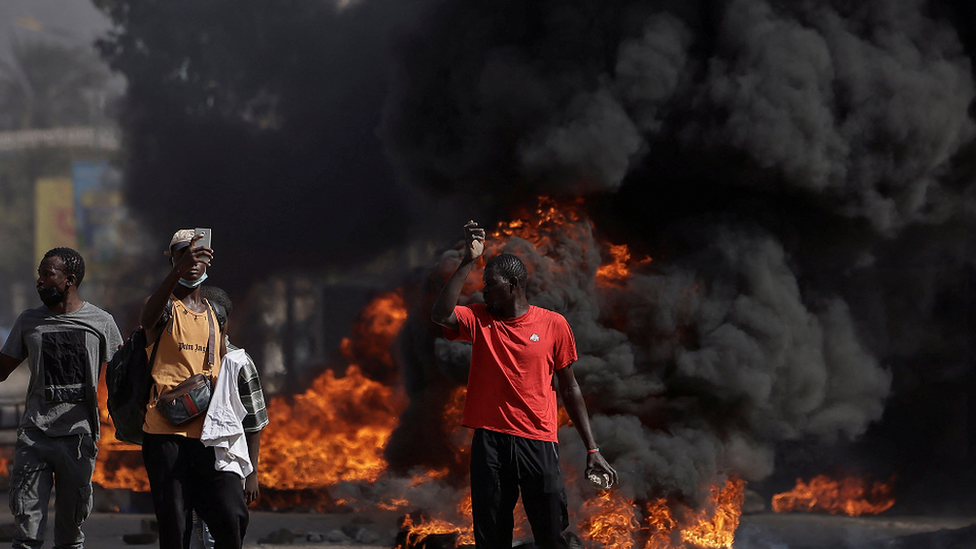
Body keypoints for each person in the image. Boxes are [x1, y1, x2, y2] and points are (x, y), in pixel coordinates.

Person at [431, 221, 618, 549]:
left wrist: (592, 448)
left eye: (491, 285)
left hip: (538, 442)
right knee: (491, 536)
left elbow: (570, 388)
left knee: (550, 533)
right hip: (490, 443)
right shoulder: (479, 319)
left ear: (513, 284)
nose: (484, 291)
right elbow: (441, 314)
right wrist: (468, 262)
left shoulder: (553, 325)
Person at [0, 247, 123, 549]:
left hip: (78, 439)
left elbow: (124, 372)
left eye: (47, 275)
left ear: (69, 280)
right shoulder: (29, 321)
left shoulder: (101, 321)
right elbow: (2, 370)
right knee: (27, 532)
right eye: (39, 274)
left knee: (69, 535)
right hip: (35, 436)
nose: (39, 281)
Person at [140, 230, 248, 549]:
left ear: (208, 261)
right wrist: (176, 272)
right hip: (165, 435)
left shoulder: (216, 315)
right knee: (175, 524)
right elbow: (147, 317)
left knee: (231, 514)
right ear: (172, 261)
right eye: (181, 256)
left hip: (208, 435)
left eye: (197, 255)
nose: (191, 262)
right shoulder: (163, 308)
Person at [189, 286, 269, 549]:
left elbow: (254, 423)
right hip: (188, 454)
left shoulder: (238, 362)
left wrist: (252, 474)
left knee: (228, 522)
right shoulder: (183, 359)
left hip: (225, 461)